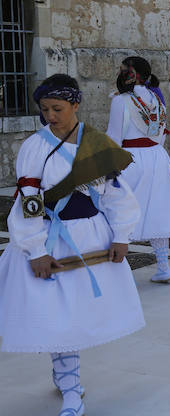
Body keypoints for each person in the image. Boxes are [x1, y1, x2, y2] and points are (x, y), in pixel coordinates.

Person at [0, 74, 145, 416]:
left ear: (75, 105)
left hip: (91, 238)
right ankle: (70, 390)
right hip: (50, 239)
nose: (50, 115)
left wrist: (122, 235)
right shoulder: (34, 147)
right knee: (57, 318)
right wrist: (35, 250)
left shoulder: (96, 144)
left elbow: (115, 195)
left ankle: (67, 378)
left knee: (76, 316)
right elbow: (29, 201)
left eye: (58, 108)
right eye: (45, 109)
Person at [106, 56, 170, 283]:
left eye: (122, 70)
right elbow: (159, 135)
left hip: (131, 159)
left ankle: (118, 271)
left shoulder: (121, 100)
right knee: (157, 209)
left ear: (131, 73)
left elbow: (113, 137)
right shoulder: (156, 97)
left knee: (121, 209)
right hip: (157, 158)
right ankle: (163, 266)